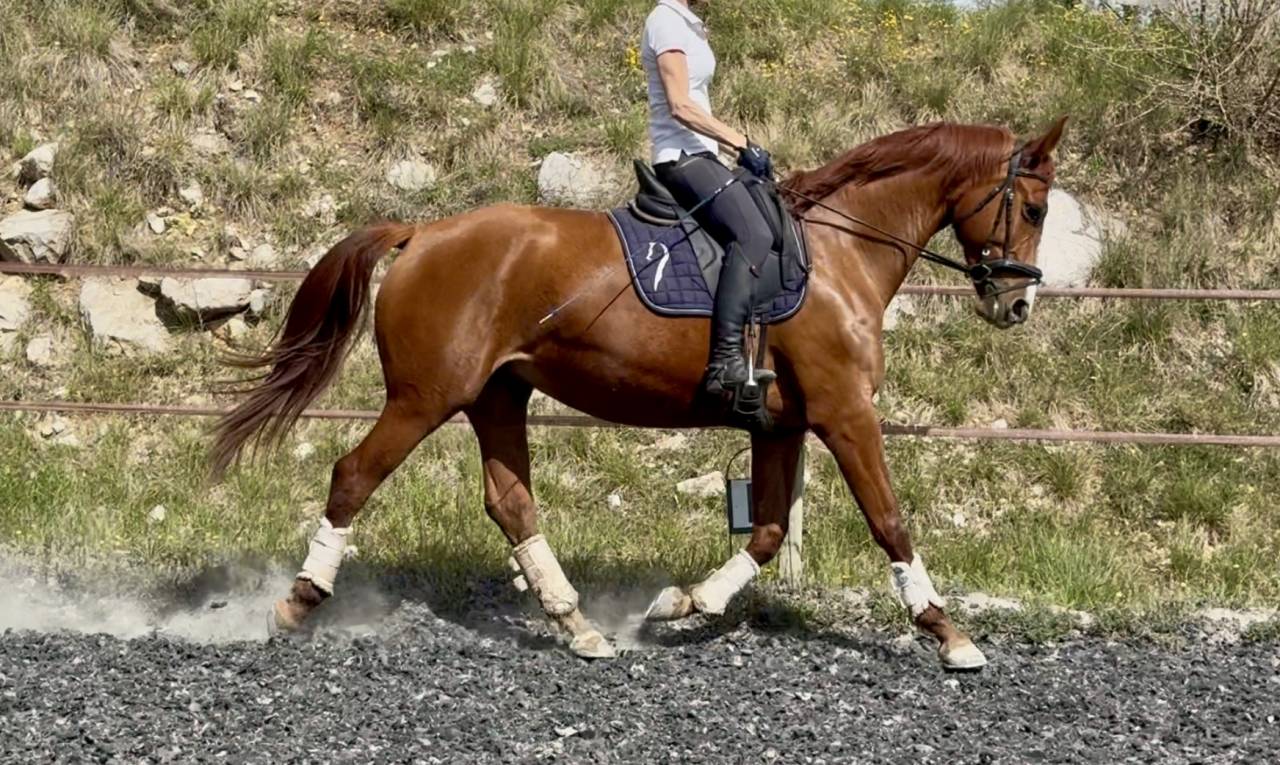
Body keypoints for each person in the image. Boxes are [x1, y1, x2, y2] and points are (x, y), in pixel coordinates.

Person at [641, 0, 777, 397]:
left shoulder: (687, 22)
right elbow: (681, 104)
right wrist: (740, 141)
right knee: (753, 235)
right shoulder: (665, 20)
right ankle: (724, 362)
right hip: (681, 157)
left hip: (703, 154)